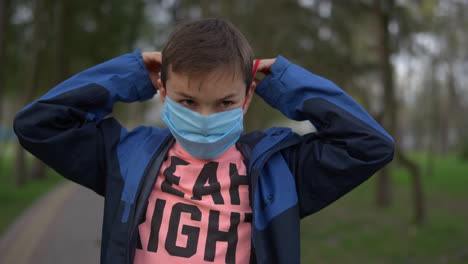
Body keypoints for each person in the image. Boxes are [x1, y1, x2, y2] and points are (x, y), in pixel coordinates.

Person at [13, 18, 394, 264]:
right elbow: (38, 124)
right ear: (163, 92)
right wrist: (130, 73)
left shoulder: (280, 171)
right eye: (188, 101)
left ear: (246, 99)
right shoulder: (128, 156)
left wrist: (282, 81)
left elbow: (369, 144)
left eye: (225, 102)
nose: (205, 118)